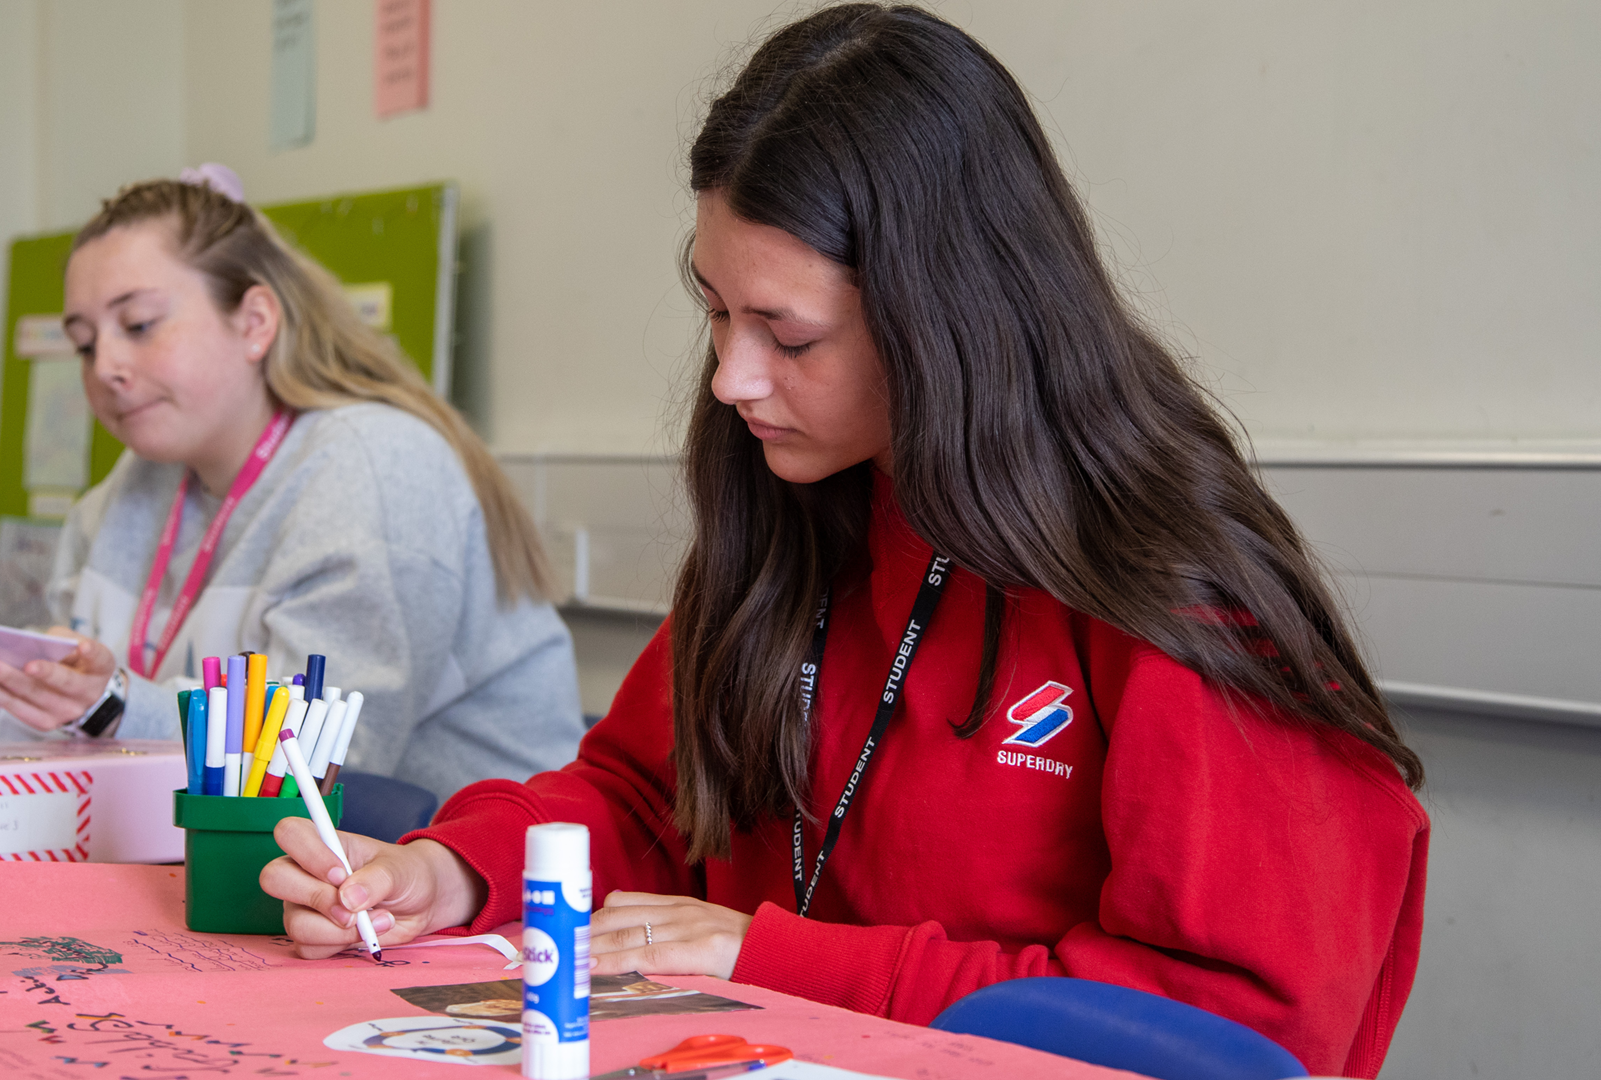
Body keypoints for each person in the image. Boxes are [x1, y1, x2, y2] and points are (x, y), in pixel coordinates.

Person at [258, 6, 1429, 1076]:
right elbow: (646, 796)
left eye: (788, 333)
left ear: (948, 316)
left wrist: (783, 963)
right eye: (715, 310)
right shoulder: (804, 498)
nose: (730, 379)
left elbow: (1238, 1032)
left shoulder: (1169, 586)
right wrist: (459, 870)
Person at [0, 166, 584, 799]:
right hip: (211, 855)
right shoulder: (126, 491)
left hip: (463, 873)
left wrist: (113, 705)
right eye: (84, 343)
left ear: (255, 322)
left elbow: (322, 763)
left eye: (141, 324)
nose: (107, 367)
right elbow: (48, 717)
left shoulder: (372, 466)